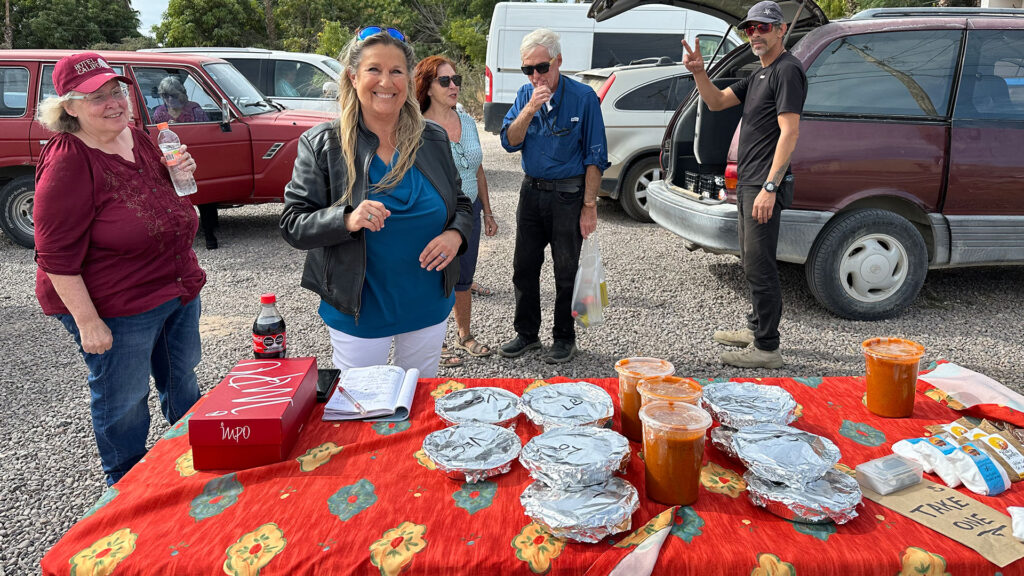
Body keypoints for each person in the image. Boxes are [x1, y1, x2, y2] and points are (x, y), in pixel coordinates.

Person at [33, 53, 205, 486]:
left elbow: (159, 195)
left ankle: (191, 457)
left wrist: (182, 174)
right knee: (124, 400)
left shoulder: (137, 137)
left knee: (181, 379)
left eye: (116, 92)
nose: (113, 103)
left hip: (174, 286)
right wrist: (88, 323)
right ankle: (126, 485)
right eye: (96, 97)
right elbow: (52, 255)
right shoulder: (68, 159)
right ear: (68, 106)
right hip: (116, 304)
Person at [280, 27, 472, 377]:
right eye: (374, 70)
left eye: (397, 71)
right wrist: (347, 219)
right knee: (362, 407)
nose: (387, 81)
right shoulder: (323, 144)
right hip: (360, 311)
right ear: (353, 76)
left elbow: (461, 203)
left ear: (409, 78)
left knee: (418, 402)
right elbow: (293, 224)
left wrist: (455, 236)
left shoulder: (432, 138)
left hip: (428, 304)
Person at [681, 1, 806, 369]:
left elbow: (791, 132)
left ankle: (767, 349)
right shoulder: (759, 74)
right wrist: (699, 73)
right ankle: (756, 329)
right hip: (749, 182)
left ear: (781, 30)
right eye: (750, 28)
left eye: (763, 28)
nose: (755, 34)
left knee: (760, 265)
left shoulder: (787, 71)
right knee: (751, 262)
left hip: (762, 185)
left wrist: (770, 186)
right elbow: (717, 101)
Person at [498, 28, 609, 364]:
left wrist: (589, 206)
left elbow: (595, 157)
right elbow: (508, 141)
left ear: (558, 61)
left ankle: (564, 338)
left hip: (568, 195)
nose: (536, 75)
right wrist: (529, 109)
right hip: (531, 192)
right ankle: (527, 334)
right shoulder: (524, 95)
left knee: (566, 270)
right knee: (524, 266)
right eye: (528, 69)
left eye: (542, 67)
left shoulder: (583, 98)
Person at [414, 55, 498, 367]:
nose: (454, 86)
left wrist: (487, 211)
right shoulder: (417, 126)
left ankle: (464, 336)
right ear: (428, 87)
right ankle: (434, 344)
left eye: (457, 80)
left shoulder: (467, 122)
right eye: (445, 81)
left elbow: (477, 169)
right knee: (432, 276)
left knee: (463, 274)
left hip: (470, 211)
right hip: (435, 213)